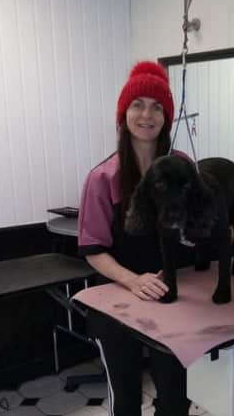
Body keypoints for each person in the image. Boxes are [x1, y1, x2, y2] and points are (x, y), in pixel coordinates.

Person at [78, 60, 194, 416]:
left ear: (167, 117)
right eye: (138, 104)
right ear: (123, 113)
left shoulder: (183, 165)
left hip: (173, 298)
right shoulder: (103, 178)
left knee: (175, 399)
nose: (148, 115)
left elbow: (196, 224)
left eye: (158, 106)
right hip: (118, 301)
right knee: (126, 399)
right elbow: (93, 249)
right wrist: (133, 281)